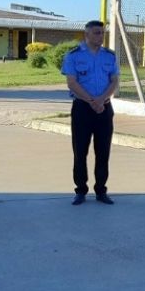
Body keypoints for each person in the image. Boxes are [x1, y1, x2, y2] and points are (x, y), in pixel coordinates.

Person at [61, 20, 120, 206]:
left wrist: (101, 100)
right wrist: (92, 101)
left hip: (104, 108)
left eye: (102, 33)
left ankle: (101, 190)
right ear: (86, 35)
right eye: (96, 33)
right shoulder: (73, 56)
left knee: (103, 151)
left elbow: (114, 81)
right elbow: (72, 83)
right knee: (80, 151)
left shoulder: (109, 56)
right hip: (82, 108)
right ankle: (80, 190)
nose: (100, 36)